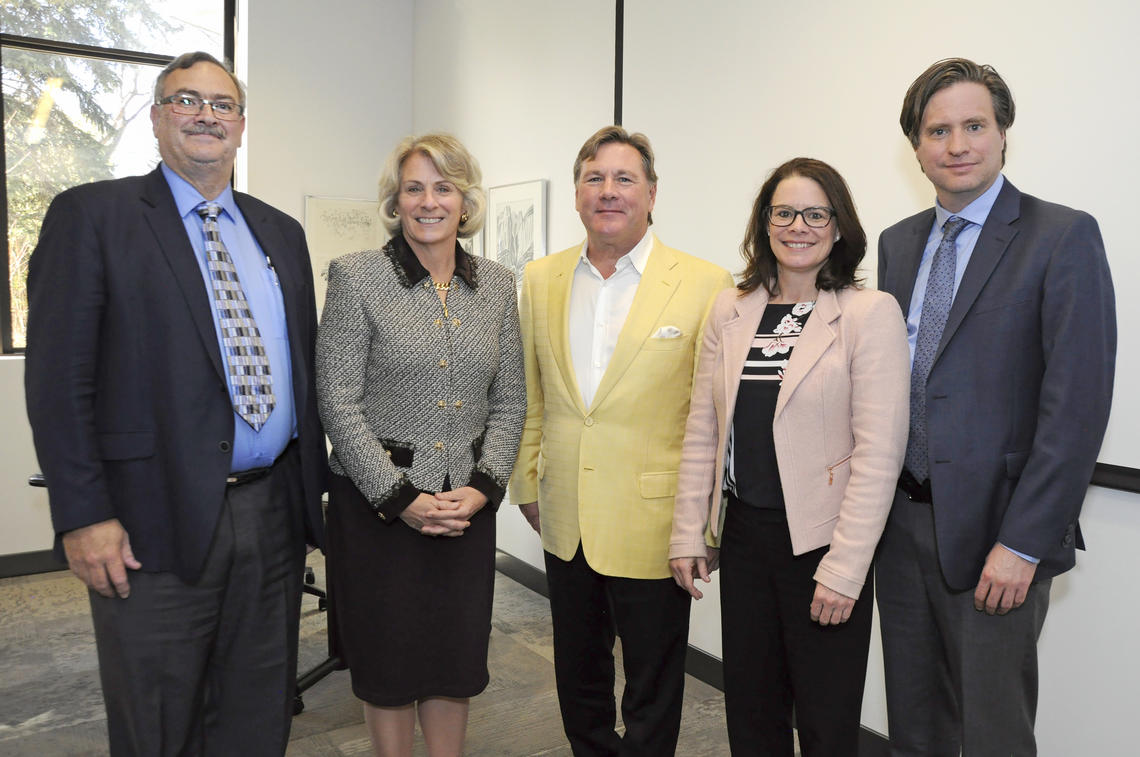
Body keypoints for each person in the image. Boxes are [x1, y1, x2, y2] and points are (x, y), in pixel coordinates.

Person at [23, 52, 328, 755]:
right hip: (146, 519)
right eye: (185, 100)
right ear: (157, 118)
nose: (205, 115)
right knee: (158, 719)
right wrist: (84, 514)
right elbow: (58, 383)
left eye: (222, 104)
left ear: (242, 126)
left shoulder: (280, 232)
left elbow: (300, 369)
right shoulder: (93, 217)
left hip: (272, 512)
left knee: (258, 712)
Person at [876, 58, 1116, 756]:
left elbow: (1075, 411)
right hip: (901, 528)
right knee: (913, 726)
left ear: (1003, 133)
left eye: (974, 125)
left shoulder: (1062, 236)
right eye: (938, 130)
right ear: (916, 148)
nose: (957, 144)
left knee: (991, 732)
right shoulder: (897, 244)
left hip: (996, 536)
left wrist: (1023, 543)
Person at [669, 157, 909, 755]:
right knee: (752, 716)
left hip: (822, 546)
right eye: (783, 212)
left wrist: (846, 569)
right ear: (764, 222)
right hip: (746, 538)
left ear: (837, 226)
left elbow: (879, 455)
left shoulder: (867, 314)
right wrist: (687, 532)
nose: (797, 226)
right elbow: (704, 429)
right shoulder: (731, 309)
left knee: (827, 726)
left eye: (814, 213)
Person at [510, 125, 732, 756]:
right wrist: (527, 481)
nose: (608, 191)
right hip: (565, 515)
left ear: (652, 194)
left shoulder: (706, 284)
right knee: (577, 678)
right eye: (594, 178)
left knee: (653, 685)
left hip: (657, 522)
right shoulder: (543, 278)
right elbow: (532, 393)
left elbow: (714, 420)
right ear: (579, 194)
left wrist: (705, 523)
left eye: (624, 178)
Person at [316, 133, 525, 757]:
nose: (429, 201)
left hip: (464, 510)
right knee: (388, 668)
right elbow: (337, 401)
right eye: (414, 188)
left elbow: (511, 399)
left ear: (465, 201)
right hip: (379, 514)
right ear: (396, 200)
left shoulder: (496, 285)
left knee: (453, 660)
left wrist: (483, 489)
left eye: (443, 187)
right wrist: (399, 496)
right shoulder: (355, 277)